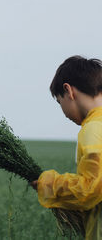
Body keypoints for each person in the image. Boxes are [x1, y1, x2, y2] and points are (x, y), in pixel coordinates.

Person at [32, 55, 102, 239]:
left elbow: (91, 188)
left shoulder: (93, 128)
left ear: (68, 91)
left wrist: (49, 184)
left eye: (59, 101)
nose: (63, 112)